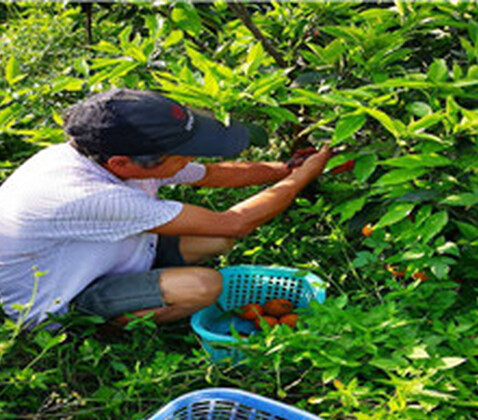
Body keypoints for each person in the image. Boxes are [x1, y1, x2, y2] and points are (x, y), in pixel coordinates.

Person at [0, 88, 332, 328]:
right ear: (123, 163)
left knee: (215, 242)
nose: (191, 160)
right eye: (182, 155)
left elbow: (214, 174)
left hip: (101, 256)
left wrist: (287, 168)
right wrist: (305, 176)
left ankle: (143, 287)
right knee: (205, 286)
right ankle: (100, 328)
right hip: (62, 296)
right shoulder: (90, 195)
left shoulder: (108, 155)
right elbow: (234, 223)